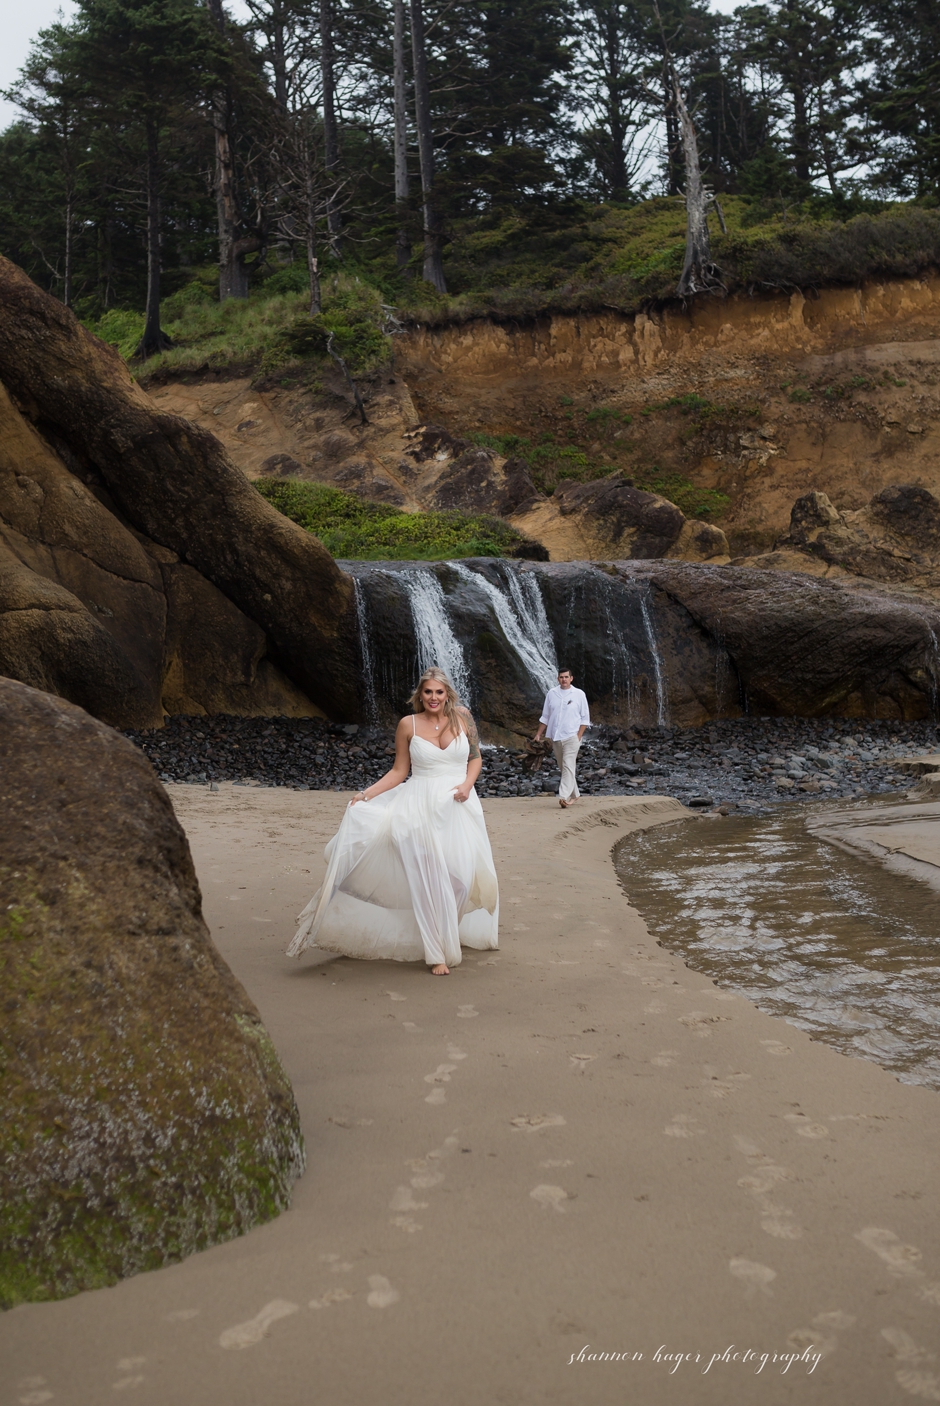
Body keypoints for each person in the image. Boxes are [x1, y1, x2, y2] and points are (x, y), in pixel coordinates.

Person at [287, 667, 499, 975]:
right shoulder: (407, 724)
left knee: (461, 880)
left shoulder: (463, 718)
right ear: (420, 694)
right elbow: (399, 771)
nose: (434, 697)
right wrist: (366, 794)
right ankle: (436, 951)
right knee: (428, 881)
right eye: (428, 692)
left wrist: (467, 785)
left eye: (439, 692)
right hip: (418, 808)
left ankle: (447, 930)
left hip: (459, 807)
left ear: (448, 694)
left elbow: (475, 757)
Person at [533, 668, 591, 808]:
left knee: (568, 765)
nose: (564, 679)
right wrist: (538, 734)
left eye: (566, 677)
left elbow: (585, 718)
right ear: (558, 679)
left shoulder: (579, 694)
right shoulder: (552, 694)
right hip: (556, 737)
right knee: (564, 767)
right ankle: (575, 795)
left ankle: (563, 796)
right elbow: (545, 716)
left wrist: (578, 736)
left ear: (571, 678)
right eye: (561, 677)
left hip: (572, 736)